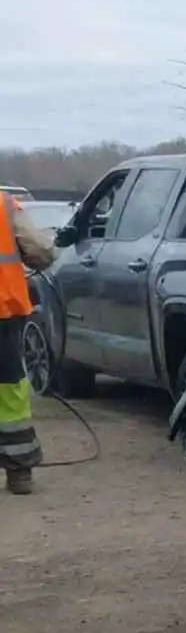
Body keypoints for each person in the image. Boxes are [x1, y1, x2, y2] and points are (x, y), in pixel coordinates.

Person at [0, 190, 57, 494]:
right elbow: (40, 251)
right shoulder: (4, 205)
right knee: (9, 389)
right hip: (3, 313)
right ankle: (19, 472)